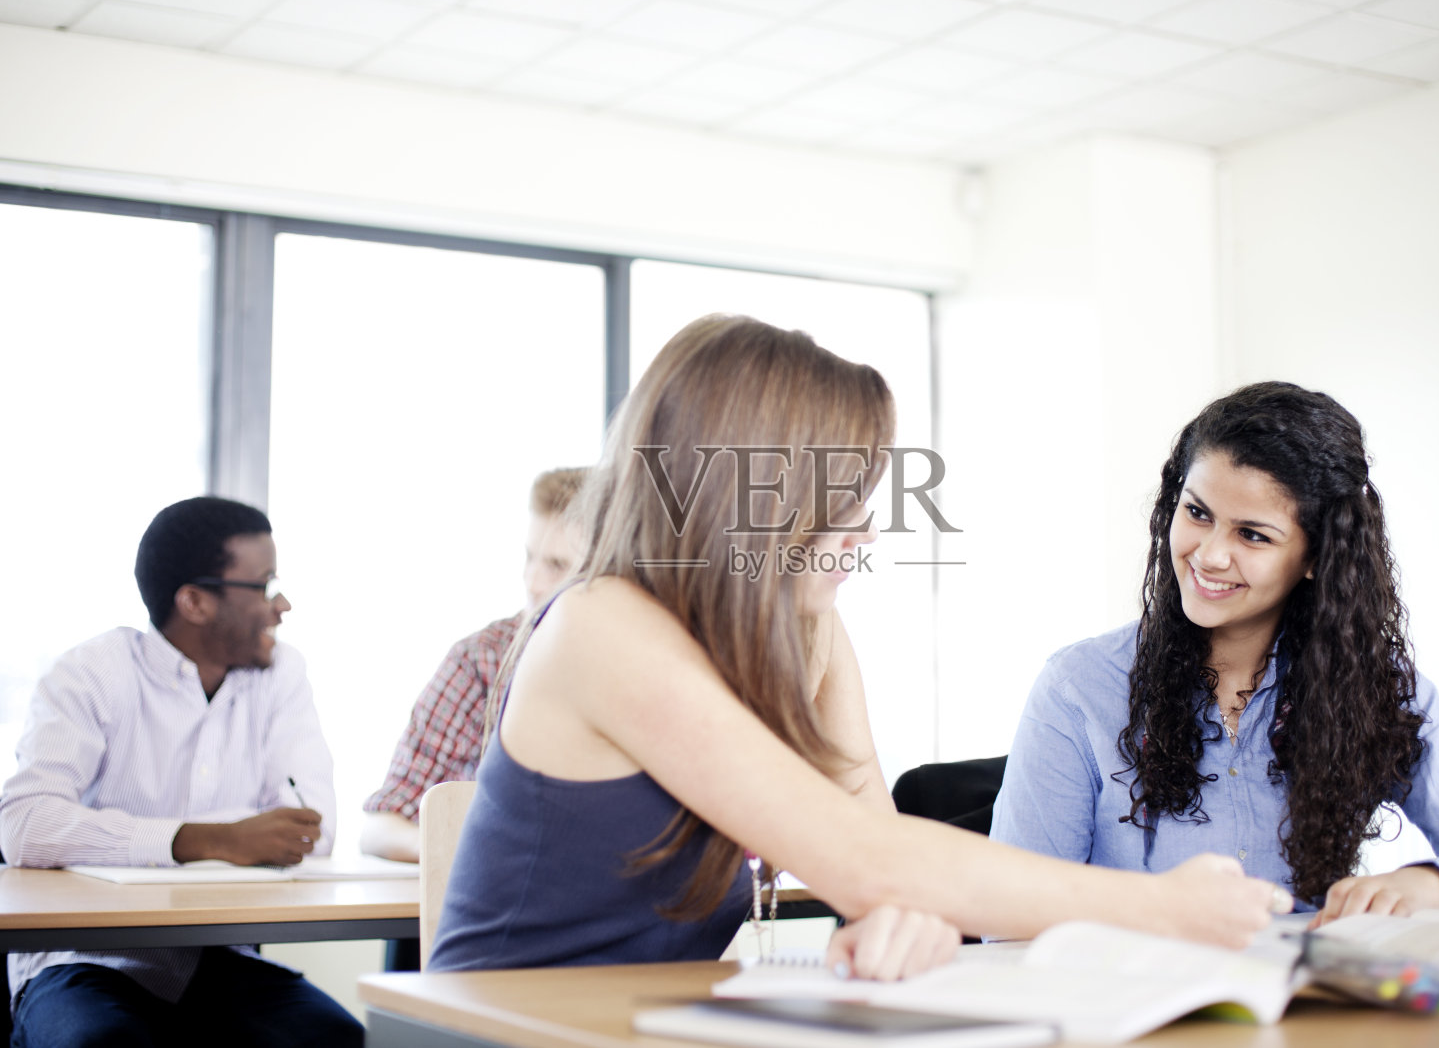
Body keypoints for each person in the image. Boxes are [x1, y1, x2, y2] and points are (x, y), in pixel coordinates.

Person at [428, 314, 1290, 984]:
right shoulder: (599, 626)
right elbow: (868, 857)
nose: (868, 532)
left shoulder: (813, 632)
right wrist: (1160, 906)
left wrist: (897, 911)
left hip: (652, 1025)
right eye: (846, 501)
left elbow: (877, 853)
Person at [990, 381, 1439, 925]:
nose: (1210, 555)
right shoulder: (1079, 687)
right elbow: (1008, 916)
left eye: (1253, 535)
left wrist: (1433, 886)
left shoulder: (1377, 688)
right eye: (1197, 513)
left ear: (1317, 557)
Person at [0, 496, 362, 1047]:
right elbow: (25, 825)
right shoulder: (92, 674)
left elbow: (311, 828)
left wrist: (119, 836)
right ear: (194, 601)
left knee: (331, 1038)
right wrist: (211, 839)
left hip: (215, 957)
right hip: (85, 959)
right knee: (100, 1043)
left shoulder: (281, 673)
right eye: (264, 586)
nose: (282, 604)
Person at [360, 467, 589, 865]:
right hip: (499, 900)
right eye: (529, 556)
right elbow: (380, 827)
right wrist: (452, 850)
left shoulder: (658, 667)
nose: (532, 581)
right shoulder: (481, 659)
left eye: (556, 565)